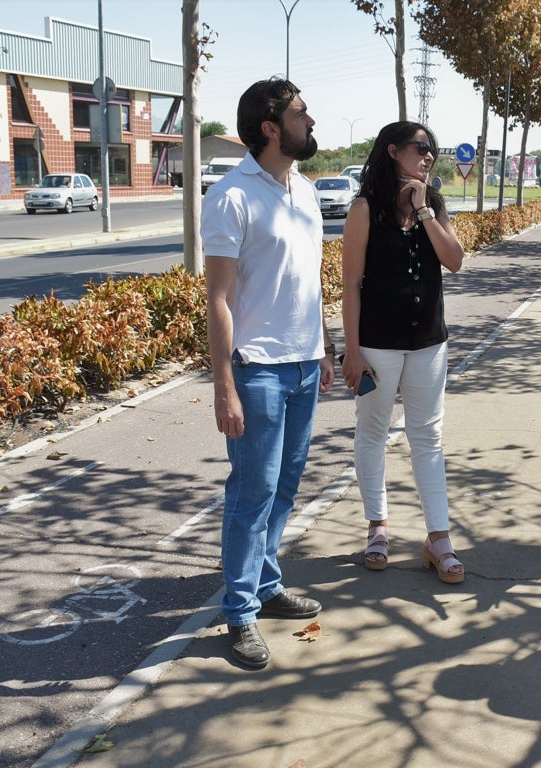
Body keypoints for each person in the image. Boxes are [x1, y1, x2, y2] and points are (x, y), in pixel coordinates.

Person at [202, 78, 336, 670]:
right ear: (270, 126)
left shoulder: (305, 190)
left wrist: (325, 345)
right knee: (251, 494)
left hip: (305, 364)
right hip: (257, 371)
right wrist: (224, 385)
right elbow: (219, 300)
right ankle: (238, 615)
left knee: (284, 489)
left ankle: (266, 583)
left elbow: (309, 282)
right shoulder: (231, 196)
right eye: (302, 113)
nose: (312, 122)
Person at [339, 122, 466, 583]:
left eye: (432, 150)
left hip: (429, 342)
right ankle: (377, 527)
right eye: (420, 148)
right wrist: (350, 350)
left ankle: (438, 538)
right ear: (393, 151)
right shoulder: (364, 209)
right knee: (373, 433)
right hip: (377, 343)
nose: (429, 156)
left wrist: (426, 211)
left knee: (428, 438)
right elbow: (350, 285)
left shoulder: (433, 205)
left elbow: (454, 260)